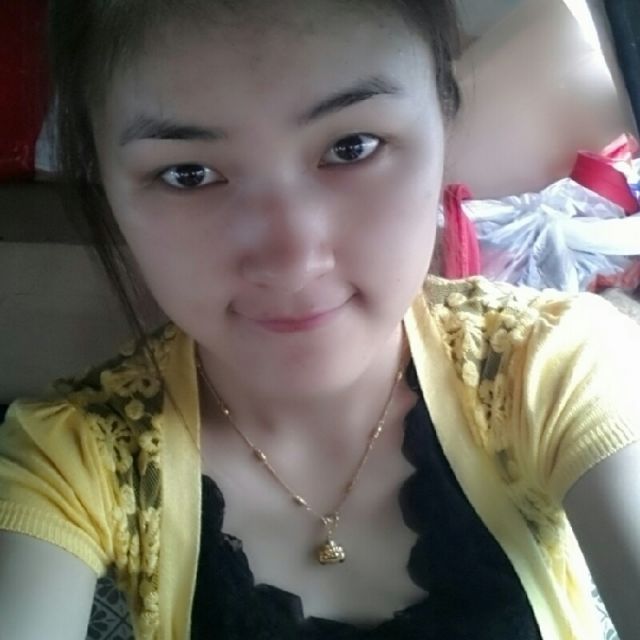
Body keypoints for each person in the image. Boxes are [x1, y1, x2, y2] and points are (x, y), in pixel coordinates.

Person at [0, 1, 639, 638]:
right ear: (108, 185)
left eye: (351, 147)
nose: (291, 262)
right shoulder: (72, 454)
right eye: (188, 174)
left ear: (443, 123)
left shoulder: (551, 367)